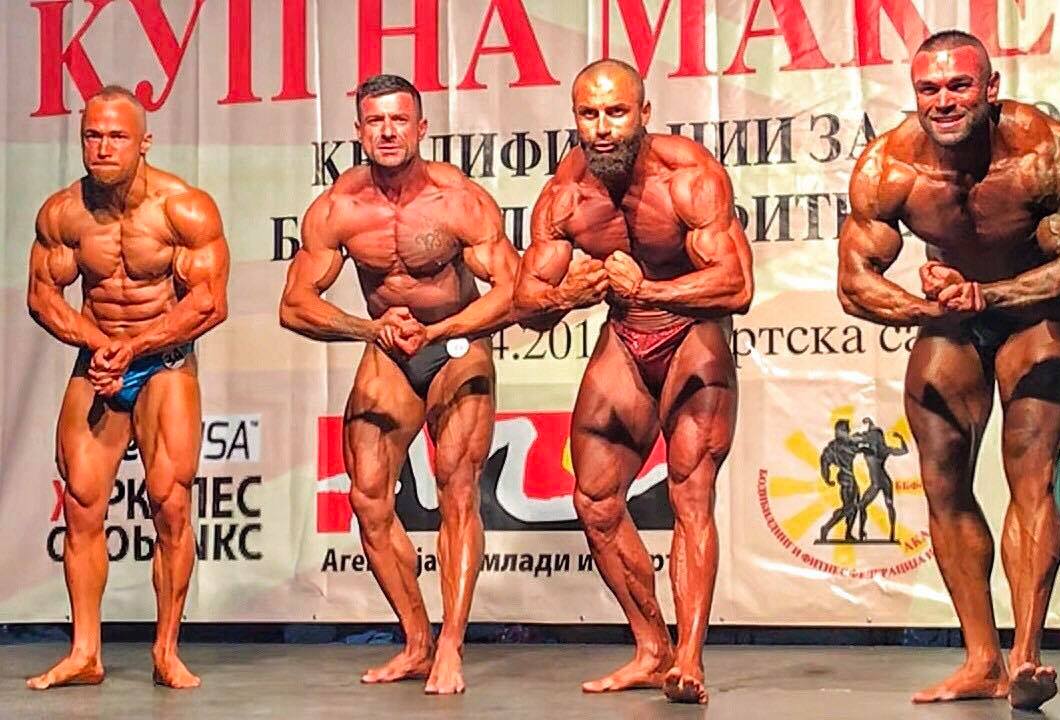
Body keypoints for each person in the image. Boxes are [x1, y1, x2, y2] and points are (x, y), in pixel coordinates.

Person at [835, 31, 1060, 710]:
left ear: (990, 88)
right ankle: (983, 659)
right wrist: (927, 307)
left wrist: (987, 295)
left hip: (1030, 311)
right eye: (929, 88)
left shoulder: (1044, 151)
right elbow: (854, 283)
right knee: (943, 484)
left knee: (1032, 474)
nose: (944, 101)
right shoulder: (888, 166)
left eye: (959, 85)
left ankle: (1027, 657)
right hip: (953, 316)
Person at [513, 59, 753, 704]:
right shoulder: (566, 193)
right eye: (589, 114)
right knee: (594, 500)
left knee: (690, 492)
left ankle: (690, 660)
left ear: (644, 113)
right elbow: (526, 301)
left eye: (616, 112)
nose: (602, 127)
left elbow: (736, 286)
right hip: (625, 334)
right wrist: (566, 295)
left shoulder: (689, 177)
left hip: (692, 332)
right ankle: (652, 648)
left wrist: (648, 290)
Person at [279, 73, 520, 695]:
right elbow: (295, 305)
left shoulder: (457, 200)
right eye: (375, 121)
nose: (388, 131)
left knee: (456, 489)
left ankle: (451, 647)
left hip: (457, 343)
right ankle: (416, 641)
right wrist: (371, 328)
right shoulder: (339, 208)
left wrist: (444, 330)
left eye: (399, 120)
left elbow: (513, 289)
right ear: (359, 131)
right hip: (388, 347)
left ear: (421, 128)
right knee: (367, 497)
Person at [26, 86, 230, 690]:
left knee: (170, 502)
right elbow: (42, 297)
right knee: (82, 503)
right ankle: (85, 652)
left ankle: (166, 650)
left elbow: (209, 302)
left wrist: (132, 348)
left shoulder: (183, 208)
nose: (103, 146)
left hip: (163, 361)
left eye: (117, 135)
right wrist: (99, 345)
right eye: (92, 135)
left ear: (145, 142)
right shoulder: (63, 213)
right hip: (98, 358)